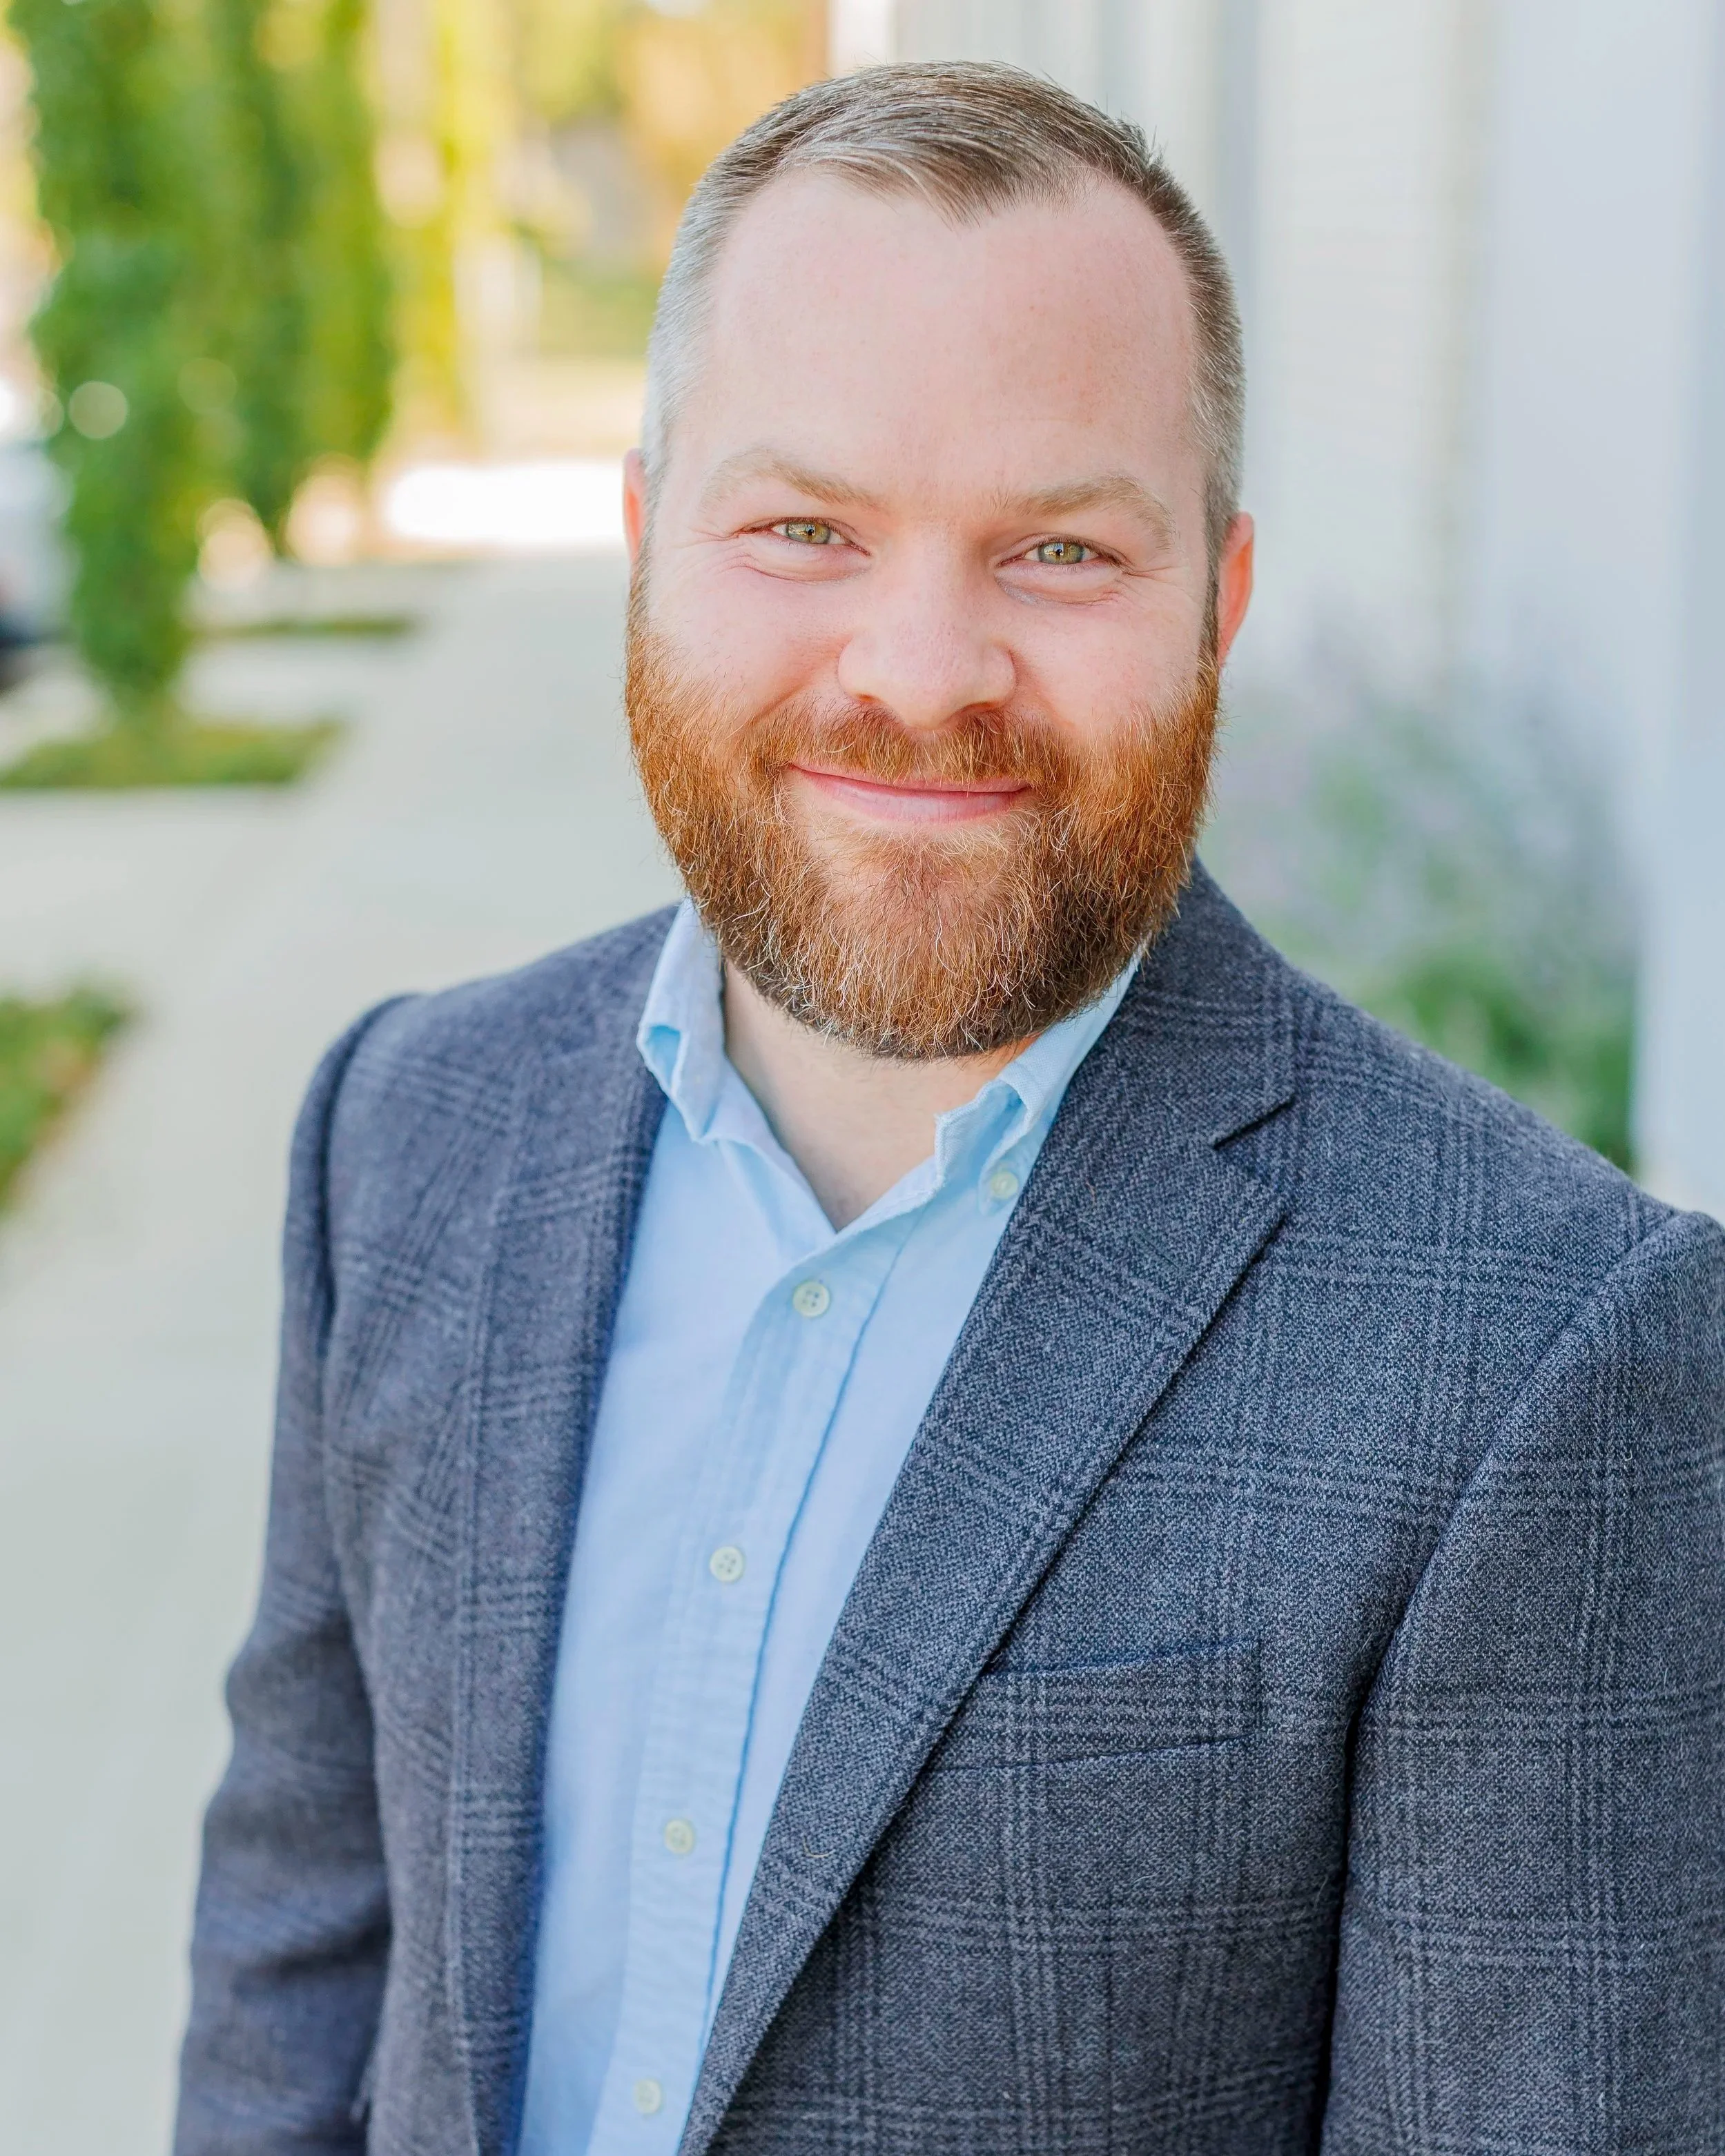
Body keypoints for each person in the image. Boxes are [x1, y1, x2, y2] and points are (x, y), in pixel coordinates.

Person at [174, 62, 1725, 2156]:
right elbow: (300, 1952)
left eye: (1060, 548)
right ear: (649, 544)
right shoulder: (405, 1137)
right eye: (803, 526)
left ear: (1220, 603)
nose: (920, 666)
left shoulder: (1544, 1357)